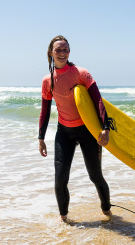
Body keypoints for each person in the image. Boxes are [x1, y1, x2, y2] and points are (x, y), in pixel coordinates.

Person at [38, 35, 112, 222]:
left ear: (69, 52)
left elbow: (97, 100)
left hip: (87, 131)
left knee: (95, 176)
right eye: (58, 50)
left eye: (65, 49)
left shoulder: (81, 73)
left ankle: (107, 212)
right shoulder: (48, 81)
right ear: (50, 53)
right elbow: (45, 111)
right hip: (64, 133)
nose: (62, 53)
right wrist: (41, 138)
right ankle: (64, 219)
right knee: (60, 179)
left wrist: (105, 127)